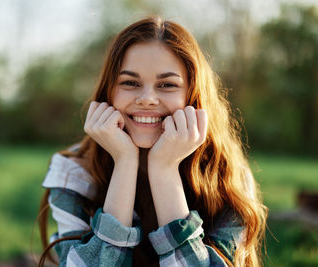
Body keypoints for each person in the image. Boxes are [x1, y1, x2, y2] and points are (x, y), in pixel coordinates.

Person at [38, 17, 267, 267]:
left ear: (193, 96)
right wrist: (124, 162)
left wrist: (164, 169)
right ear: (109, 93)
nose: (147, 99)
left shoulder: (227, 177)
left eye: (167, 84)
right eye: (130, 83)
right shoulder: (75, 172)